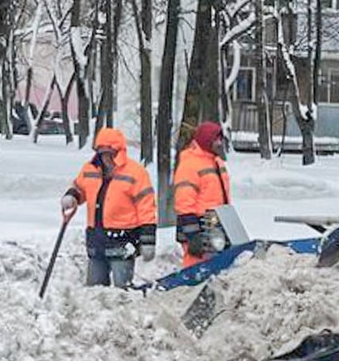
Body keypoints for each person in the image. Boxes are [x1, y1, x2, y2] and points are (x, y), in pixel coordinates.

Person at [62, 127, 158, 287]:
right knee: (94, 292)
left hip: (123, 242)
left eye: (110, 153)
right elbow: (80, 187)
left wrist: (148, 240)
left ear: (119, 152)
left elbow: (146, 207)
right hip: (96, 242)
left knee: (122, 292)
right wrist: (72, 196)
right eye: (102, 152)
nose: (106, 157)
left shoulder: (136, 173)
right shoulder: (90, 169)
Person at [171, 121, 232, 268]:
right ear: (206, 140)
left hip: (216, 221)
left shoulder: (217, 162)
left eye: (220, 140)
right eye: (216, 140)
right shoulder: (190, 164)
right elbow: (184, 201)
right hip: (197, 224)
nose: (219, 143)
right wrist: (193, 234)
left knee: (218, 266)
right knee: (196, 266)